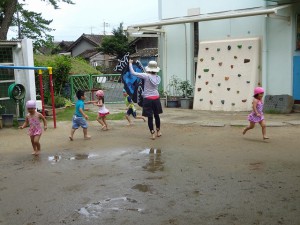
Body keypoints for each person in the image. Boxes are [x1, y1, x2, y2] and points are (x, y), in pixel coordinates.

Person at [129, 59, 163, 140]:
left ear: (149, 68)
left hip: (148, 99)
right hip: (156, 98)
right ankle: (158, 131)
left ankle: (152, 134)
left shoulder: (145, 76)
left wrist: (130, 63)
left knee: (150, 117)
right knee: (156, 115)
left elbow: (133, 73)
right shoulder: (158, 77)